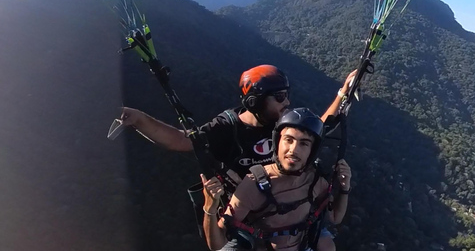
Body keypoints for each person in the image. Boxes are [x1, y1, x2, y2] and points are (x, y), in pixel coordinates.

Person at [120, 64, 356, 180]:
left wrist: (343, 92)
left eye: (287, 95)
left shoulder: (284, 122)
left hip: (280, 205)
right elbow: (181, 141)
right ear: (256, 101)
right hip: (247, 211)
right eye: (280, 97)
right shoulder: (227, 127)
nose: (287, 102)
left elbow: (320, 126)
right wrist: (138, 119)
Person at [201, 107, 352, 251]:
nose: (293, 150)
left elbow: (335, 217)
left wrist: (344, 188)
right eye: (289, 140)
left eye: (304, 143)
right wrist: (210, 209)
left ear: (312, 151)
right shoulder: (253, 184)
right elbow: (217, 244)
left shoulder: (314, 180)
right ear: (277, 142)